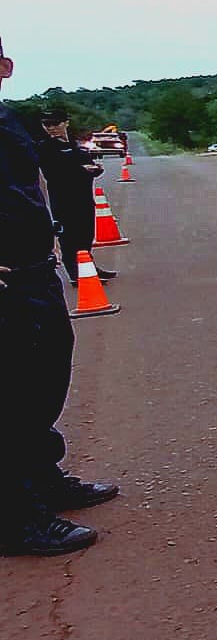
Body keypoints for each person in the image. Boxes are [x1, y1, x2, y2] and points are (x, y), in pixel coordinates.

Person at [0, 38, 119, 557]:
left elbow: (36, 179)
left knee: (46, 377)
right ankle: (15, 519)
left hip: (34, 269)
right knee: (10, 397)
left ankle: (43, 480)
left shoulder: (9, 120)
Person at [37, 110, 115, 284]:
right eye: (47, 124)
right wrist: (81, 170)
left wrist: (96, 169)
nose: (51, 128)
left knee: (85, 235)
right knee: (69, 239)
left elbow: (88, 164)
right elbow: (53, 172)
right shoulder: (45, 147)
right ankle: (75, 274)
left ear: (66, 123)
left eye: (55, 123)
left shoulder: (76, 145)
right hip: (63, 201)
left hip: (84, 198)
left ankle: (88, 267)